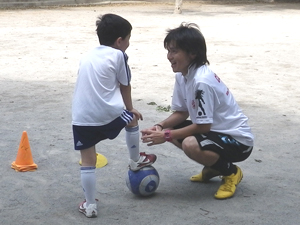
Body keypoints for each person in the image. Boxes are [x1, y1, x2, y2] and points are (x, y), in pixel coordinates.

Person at [141, 23, 254, 200]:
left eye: (174, 51)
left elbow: (202, 127)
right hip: (216, 133)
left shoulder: (201, 81)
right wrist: (160, 126)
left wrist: (166, 136)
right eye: (168, 51)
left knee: (190, 144)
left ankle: (231, 172)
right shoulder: (183, 74)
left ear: (192, 53)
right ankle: (215, 166)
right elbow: (182, 113)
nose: (169, 57)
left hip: (238, 142)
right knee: (176, 130)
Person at [72, 14, 157, 218]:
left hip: (81, 117)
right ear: (120, 41)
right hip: (109, 114)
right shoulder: (119, 55)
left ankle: (90, 205)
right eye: (128, 38)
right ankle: (135, 160)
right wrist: (130, 108)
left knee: (88, 161)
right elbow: (125, 85)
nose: (128, 43)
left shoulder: (87, 55)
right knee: (132, 119)